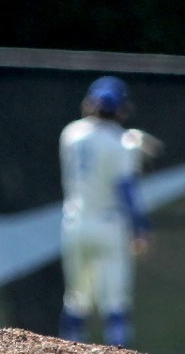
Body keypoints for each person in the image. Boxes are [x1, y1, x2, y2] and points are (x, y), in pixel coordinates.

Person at [59, 76, 154, 348]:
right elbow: (126, 190)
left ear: (90, 103)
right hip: (109, 225)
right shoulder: (120, 144)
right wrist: (142, 228)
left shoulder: (70, 134)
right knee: (116, 303)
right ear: (122, 108)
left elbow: (97, 139)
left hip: (75, 224)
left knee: (76, 300)